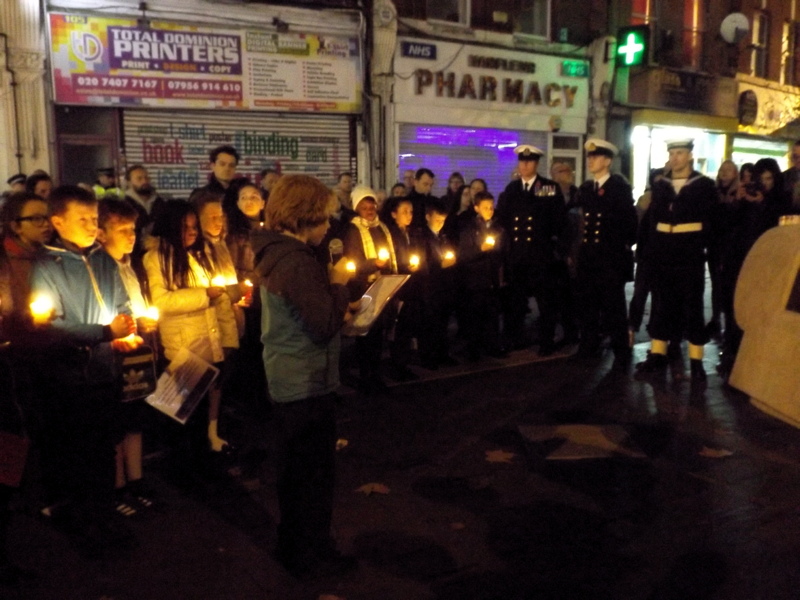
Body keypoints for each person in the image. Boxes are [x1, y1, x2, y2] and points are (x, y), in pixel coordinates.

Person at [251, 174, 357, 579]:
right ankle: (308, 553)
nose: (329, 226)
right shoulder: (295, 260)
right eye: (323, 217)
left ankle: (299, 546)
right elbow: (321, 323)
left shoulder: (277, 252)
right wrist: (339, 288)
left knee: (297, 474)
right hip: (304, 382)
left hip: (291, 375)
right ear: (304, 216)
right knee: (310, 476)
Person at [30, 185, 140, 557]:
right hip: (71, 377)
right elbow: (49, 325)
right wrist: (103, 333)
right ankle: (85, 526)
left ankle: (106, 518)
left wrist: (126, 328)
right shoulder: (47, 265)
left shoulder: (104, 259)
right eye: (83, 219)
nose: (93, 226)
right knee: (78, 455)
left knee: (103, 451)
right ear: (58, 221)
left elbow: (121, 301)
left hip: (105, 373)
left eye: (95, 219)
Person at [143, 200, 239, 455]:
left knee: (199, 412)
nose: (192, 233)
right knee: (180, 414)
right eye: (185, 228)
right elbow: (162, 300)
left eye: (194, 227)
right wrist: (204, 295)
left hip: (208, 340)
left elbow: (219, 303)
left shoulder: (199, 255)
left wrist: (228, 339)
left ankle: (200, 461)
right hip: (183, 346)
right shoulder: (156, 259)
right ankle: (183, 469)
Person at [96, 199, 159, 517]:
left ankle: (136, 481)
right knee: (116, 424)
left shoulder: (128, 265)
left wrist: (145, 320)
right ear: (101, 233)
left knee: (136, 418)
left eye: (133, 229)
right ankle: (118, 486)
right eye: (121, 229)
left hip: (136, 352)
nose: (131, 235)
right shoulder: (99, 269)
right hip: (112, 357)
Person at [635, 139, 717, 382]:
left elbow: (711, 222)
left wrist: (707, 250)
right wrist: (648, 250)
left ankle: (696, 361)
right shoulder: (661, 185)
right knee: (661, 304)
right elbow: (652, 221)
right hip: (663, 252)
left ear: (690, 155)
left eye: (680, 153)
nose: (675, 158)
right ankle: (658, 355)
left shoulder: (704, 185)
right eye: (671, 153)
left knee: (692, 307)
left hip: (689, 253)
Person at [495, 144, 566, 354]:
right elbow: (504, 220)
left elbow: (559, 222)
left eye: (529, 161)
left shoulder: (548, 188)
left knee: (546, 303)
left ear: (536, 164)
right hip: (517, 256)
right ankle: (515, 338)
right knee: (514, 302)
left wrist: (555, 250)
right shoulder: (512, 189)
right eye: (522, 161)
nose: (524, 165)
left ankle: (546, 341)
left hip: (540, 256)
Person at [573, 139, 637, 366]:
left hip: (609, 259)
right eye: (589, 157)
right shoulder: (587, 189)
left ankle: (621, 351)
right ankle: (588, 345)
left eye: (596, 157)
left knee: (614, 308)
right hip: (589, 257)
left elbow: (629, 225)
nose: (591, 160)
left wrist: (619, 250)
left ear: (607, 161)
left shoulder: (618, 188)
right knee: (587, 305)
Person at [342, 185, 397, 393]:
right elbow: (352, 262)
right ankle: (366, 378)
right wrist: (374, 264)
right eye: (364, 207)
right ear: (357, 208)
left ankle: (375, 375)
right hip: (363, 288)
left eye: (372, 205)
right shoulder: (353, 230)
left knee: (378, 335)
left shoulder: (382, 228)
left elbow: (390, 256)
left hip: (382, 286)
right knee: (365, 336)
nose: (369, 210)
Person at [457, 190, 508, 361]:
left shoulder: (498, 228)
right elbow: (463, 255)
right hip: (475, 280)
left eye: (492, 207)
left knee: (492, 315)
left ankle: (492, 346)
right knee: (474, 317)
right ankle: (473, 350)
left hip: (491, 279)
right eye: (485, 207)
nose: (490, 210)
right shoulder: (469, 229)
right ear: (476, 208)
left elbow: (503, 253)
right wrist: (481, 250)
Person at [381, 196, 422, 381]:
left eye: (411, 211)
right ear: (393, 214)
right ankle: (397, 364)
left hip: (412, 286)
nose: (409, 215)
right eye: (404, 211)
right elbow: (392, 262)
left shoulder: (411, 233)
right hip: (398, 287)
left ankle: (403, 362)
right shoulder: (391, 235)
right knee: (397, 328)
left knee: (408, 326)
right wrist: (407, 267)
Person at [417, 199, 458, 369]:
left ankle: (443, 353)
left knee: (443, 322)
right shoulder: (422, 236)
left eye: (443, 220)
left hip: (444, 286)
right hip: (429, 287)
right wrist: (440, 265)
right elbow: (422, 262)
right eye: (437, 220)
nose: (441, 223)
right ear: (428, 216)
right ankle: (428, 357)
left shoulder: (443, 235)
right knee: (429, 324)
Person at [707, 160, 739, 338]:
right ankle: (715, 319)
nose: (724, 173)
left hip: (730, 247)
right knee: (716, 284)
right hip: (715, 245)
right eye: (721, 170)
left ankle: (728, 320)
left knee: (727, 285)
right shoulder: (714, 193)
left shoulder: (738, 194)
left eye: (728, 170)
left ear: (735, 173)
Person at [122, 164, 166, 242]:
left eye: (146, 178)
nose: (144, 181)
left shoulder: (159, 202)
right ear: (129, 182)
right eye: (139, 179)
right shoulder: (124, 204)